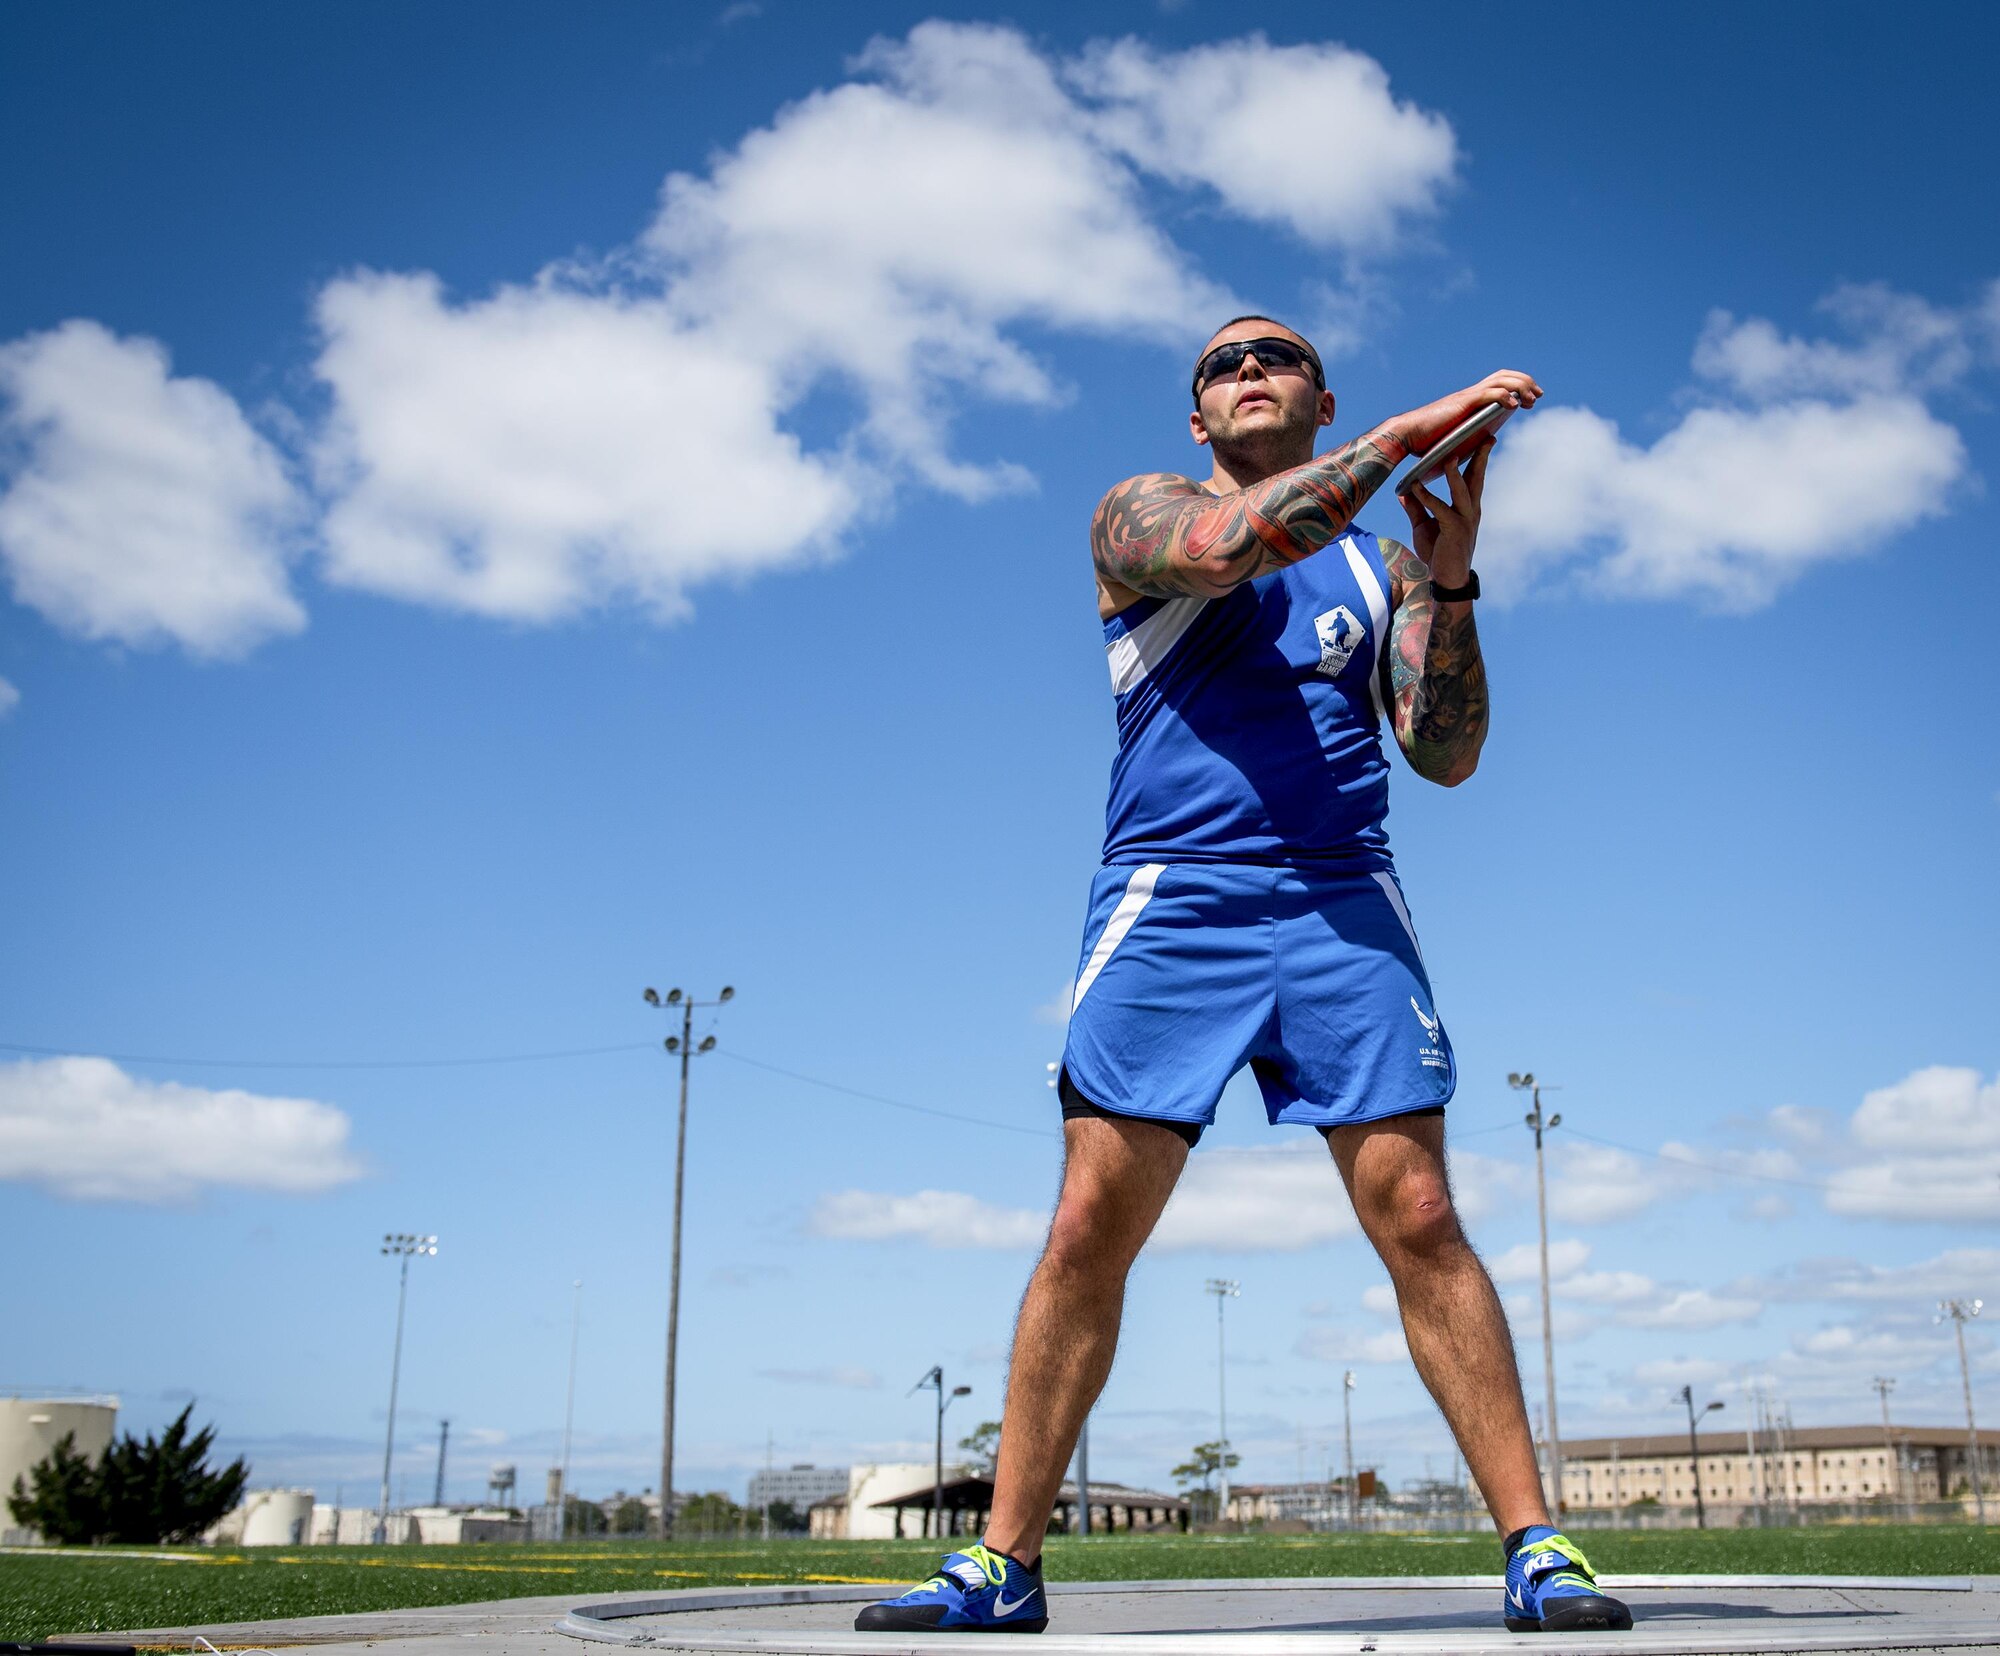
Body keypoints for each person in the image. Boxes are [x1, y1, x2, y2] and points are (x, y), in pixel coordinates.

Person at [857, 318, 1631, 1637]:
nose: (1248, 369)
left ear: (1318, 398)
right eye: (1222, 365)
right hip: (1175, 898)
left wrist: (1449, 586)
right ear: (1200, 420)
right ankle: (1002, 1563)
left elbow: (1445, 756)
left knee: (1423, 1217)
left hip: (1341, 899)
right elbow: (1224, 551)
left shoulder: (1380, 563)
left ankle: (1536, 1548)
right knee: (1090, 1223)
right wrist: (1403, 440)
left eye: (1276, 355)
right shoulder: (1139, 515)